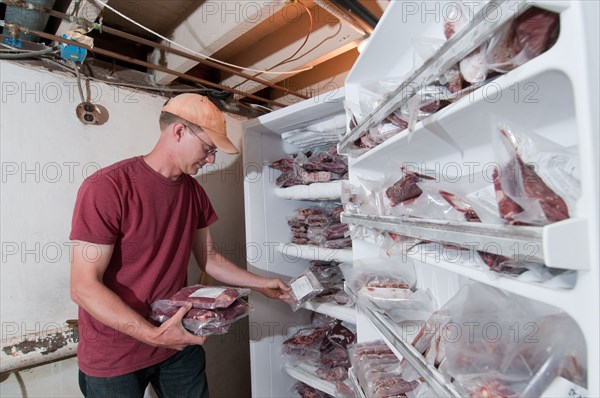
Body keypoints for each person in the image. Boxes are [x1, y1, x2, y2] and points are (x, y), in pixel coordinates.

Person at [69, 93, 291, 398]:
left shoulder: (194, 193)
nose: (211, 159)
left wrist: (262, 283)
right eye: (209, 148)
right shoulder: (108, 187)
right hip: (115, 355)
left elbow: (209, 259)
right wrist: (152, 334)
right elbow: (83, 286)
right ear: (179, 131)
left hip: (176, 342)